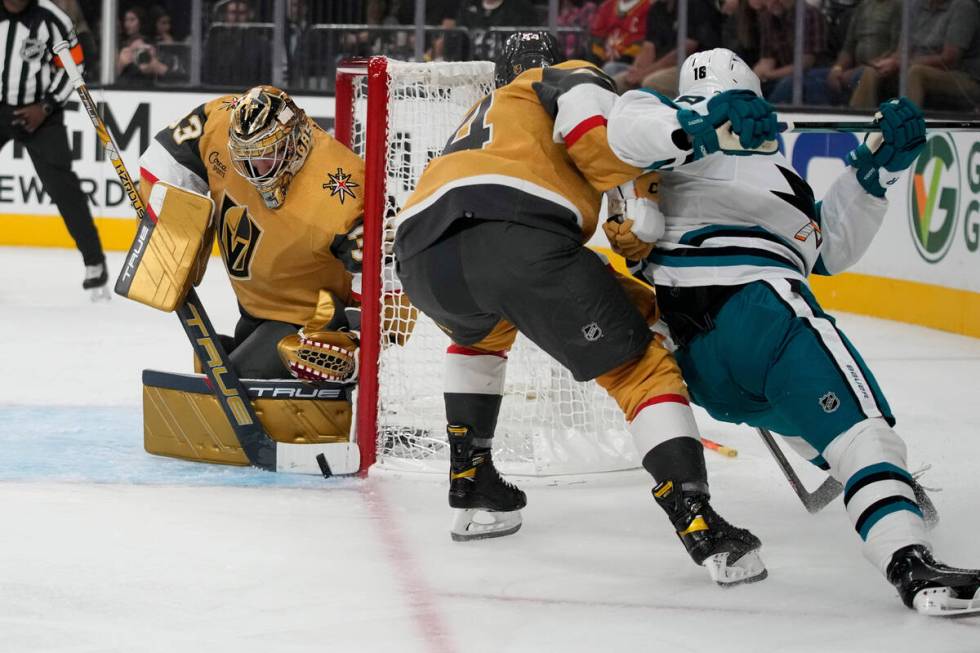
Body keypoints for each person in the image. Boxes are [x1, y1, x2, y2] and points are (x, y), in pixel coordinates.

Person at [605, 47, 980, 614]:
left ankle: (877, 485)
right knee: (864, 432)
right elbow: (629, 125)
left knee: (831, 431)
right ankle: (907, 558)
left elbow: (828, 250)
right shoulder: (660, 121)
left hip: (705, 366)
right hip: (761, 311)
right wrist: (701, 124)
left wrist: (877, 168)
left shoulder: (775, 173)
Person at [394, 32, 771, 587]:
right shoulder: (567, 76)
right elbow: (595, 145)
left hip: (420, 255)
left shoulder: (486, 108)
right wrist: (689, 139)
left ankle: (473, 486)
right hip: (513, 235)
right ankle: (699, 522)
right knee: (641, 363)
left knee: (480, 338)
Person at [138, 86, 366, 380]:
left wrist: (357, 339)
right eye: (244, 158)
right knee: (211, 363)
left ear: (294, 143)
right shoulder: (219, 121)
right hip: (254, 310)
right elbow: (160, 160)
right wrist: (170, 228)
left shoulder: (346, 190)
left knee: (233, 383)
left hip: (308, 325)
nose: (253, 171)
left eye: (265, 156)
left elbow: (390, 277)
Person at [0, 0, 108, 298]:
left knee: (64, 188)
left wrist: (46, 106)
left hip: (39, 113)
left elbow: (75, 65)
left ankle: (95, 264)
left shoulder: (52, 19)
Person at [849, 0, 980, 110]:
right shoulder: (915, 6)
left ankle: (906, 131)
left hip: (961, 75)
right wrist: (889, 62)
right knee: (872, 70)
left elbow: (949, 59)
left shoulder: (963, 7)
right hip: (911, 65)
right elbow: (901, 51)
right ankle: (857, 130)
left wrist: (903, 63)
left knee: (916, 72)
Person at [615, 0, 723, 95]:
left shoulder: (696, 5)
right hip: (660, 66)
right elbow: (649, 46)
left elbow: (682, 53)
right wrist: (637, 69)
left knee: (652, 82)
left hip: (695, 67)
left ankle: (665, 116)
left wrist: (644, 73)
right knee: (618, 82)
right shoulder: (657, 8)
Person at [824, 0, 901, 106]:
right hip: (856, 67)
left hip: (882, 67)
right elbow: (848, 47)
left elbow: (896, 49)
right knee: (817, 79)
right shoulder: (863, 6)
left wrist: (863, 67)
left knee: (859, 76)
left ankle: (856, 119)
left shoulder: (899, 6)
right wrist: (838, 68)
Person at [753, 0, 827, 103]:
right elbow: (767, 59)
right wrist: (748, 80)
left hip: (815, 73)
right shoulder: (768, 17)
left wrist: (769, 75)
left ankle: (768, 116)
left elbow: (806, 62)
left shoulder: (809, 14)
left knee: (788, 83)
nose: (774, 2)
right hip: (782, 74)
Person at [588, 0, 650, 78]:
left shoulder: (647, 6)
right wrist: (596, 62)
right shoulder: (607, 5)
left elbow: (642, 41)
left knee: (610, 68)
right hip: (603, 61)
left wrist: (624, 58)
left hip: (630, 64)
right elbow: (596, 35)